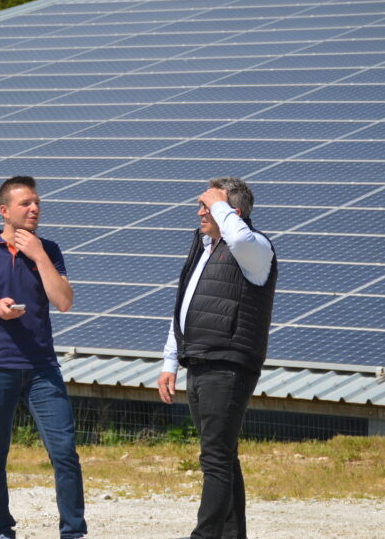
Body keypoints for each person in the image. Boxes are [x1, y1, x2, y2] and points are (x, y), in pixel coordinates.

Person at [0, 175, 87, 539]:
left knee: (64, 452)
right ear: (4, 211)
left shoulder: (50, 250)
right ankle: (1, 530)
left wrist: (39, 254)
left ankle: (73, 532)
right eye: (26, 203)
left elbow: (64, 302)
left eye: (37, 202)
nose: (35, 208)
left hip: (43, 369)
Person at [157, 176, 277, 539]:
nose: (200, 211)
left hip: (228, 364)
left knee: (214, 459)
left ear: (232, 212)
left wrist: (220, 203)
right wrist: (169, 361)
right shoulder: (205, 248)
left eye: (206, 205)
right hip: (199, 360)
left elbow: (239, 236)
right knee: (222, 455)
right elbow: (186, 304)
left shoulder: (256, 249)